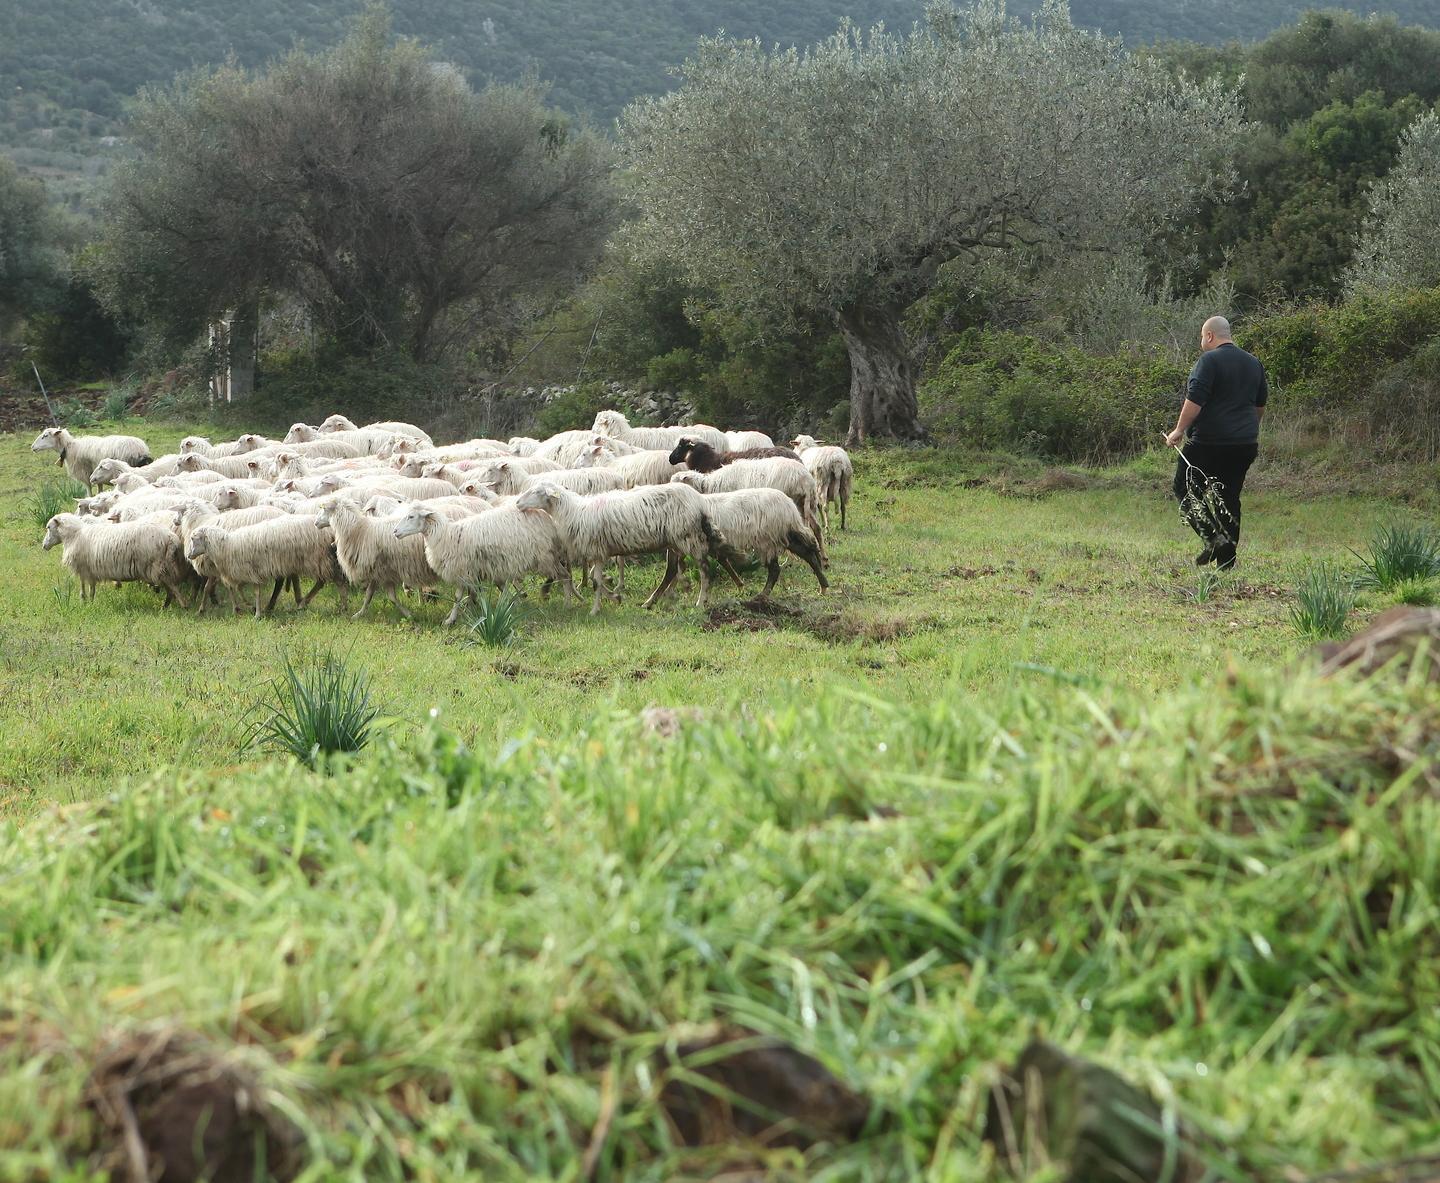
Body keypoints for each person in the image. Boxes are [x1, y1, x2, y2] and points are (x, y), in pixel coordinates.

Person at [1166, 315, 1267, 571]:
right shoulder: (1254, 363)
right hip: (1244, 444)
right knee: (1229, 497)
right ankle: (1226, 563)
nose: (1202, 341)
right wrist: (1246, 430)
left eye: (1202, 336)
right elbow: (1259, 405)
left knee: (1185, 488)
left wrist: (1179, 430)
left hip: (1209, 443)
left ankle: (1212, 539)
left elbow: (1195, 399)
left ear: (1209, 335)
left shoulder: (1208, 360)